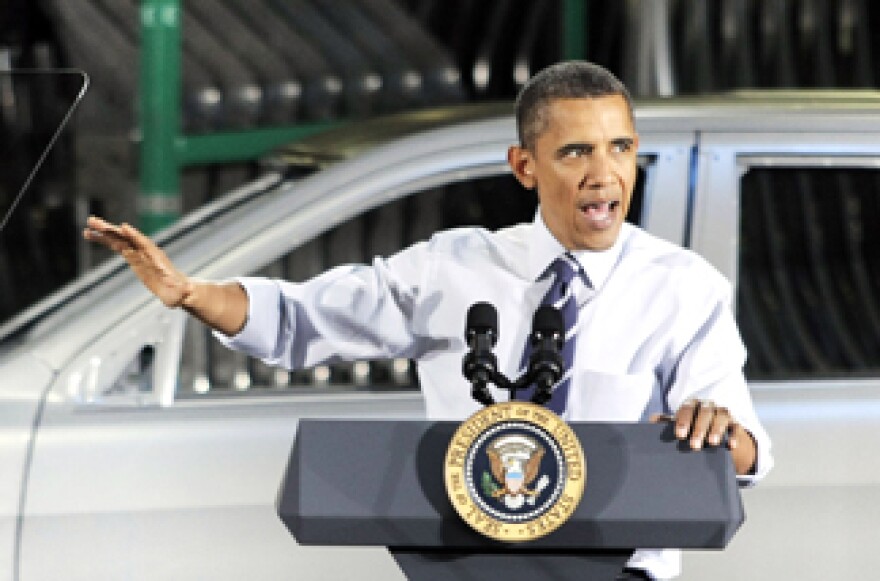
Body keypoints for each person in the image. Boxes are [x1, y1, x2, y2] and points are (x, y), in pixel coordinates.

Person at [84, 60, 772, 580]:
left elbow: (748, 452)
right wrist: (190, 292)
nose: (604, 172)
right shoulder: (454, 268)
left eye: (620, 147)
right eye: (575, 152)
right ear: (524, 166)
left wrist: (718, 431)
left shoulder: (682, 287)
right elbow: (303, 318)